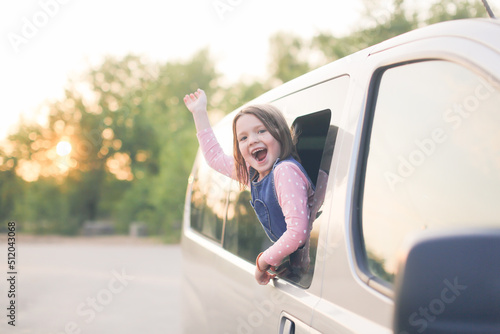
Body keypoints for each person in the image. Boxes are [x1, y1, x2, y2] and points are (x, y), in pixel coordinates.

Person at [184, 88, 316, 285]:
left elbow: (297, 232)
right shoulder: (254, 174)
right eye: (243, 138)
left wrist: (262, 262)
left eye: (261, 131)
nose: (252, 140)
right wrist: (199, 112)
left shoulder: (285, 171)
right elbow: (215, 158)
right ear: (240, 148)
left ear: (280, 133)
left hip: (311, 261)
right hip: (299, 264)